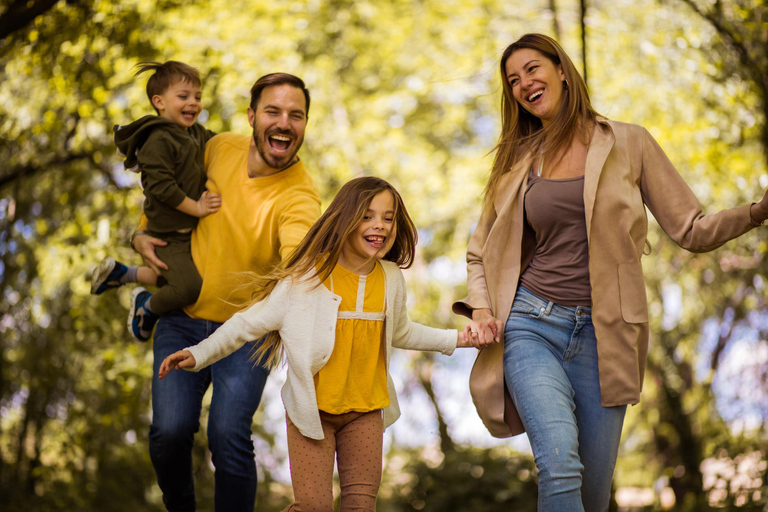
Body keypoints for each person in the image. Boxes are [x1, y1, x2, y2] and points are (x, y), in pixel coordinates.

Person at [453, 33, 768, 512]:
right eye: (513, 80)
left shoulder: (629, 142)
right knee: (558, 464)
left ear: (562, 69)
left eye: (533, 69)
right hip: (531, 325)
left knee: (592, 496)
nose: (524, 84)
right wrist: (481, 309)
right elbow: (481, 251)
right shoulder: (518, 161)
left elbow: (692, 228)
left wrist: (757, 211)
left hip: (606, 337)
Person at [158, 176, 487, 512]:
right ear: (345, 218)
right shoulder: (306, 278)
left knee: (361, 508)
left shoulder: (391, 278)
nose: (381, 226)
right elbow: (247, 323)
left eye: (389, 218)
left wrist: (459, 339)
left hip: (366, 410)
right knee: (313, 507)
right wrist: (197, 353)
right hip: (312, 413)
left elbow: (401, 331)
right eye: (368, 216)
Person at [132, 73, 321, 512]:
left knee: (228, 434)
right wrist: (141, 235)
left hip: (248, 335)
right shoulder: (219, 148)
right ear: (253, 116)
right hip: (182, 318)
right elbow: (168, 191)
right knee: (170, 432)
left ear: (305, 125)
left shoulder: (300, 195)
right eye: (273, 111)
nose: (285, 122)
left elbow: (299, 259)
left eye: (296, 115)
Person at [90, 61, 219, 342]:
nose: (193, 103)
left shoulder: (195, 132)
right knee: (188, 288)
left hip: (188, 233)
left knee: (176, 275)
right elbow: (163, 188)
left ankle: (122, 273)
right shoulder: (158, 139)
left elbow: (219, 144)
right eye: (183, 96)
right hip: (168, 234)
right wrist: (197, 207)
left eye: (197, 97)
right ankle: (147, 307)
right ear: (159, 102)